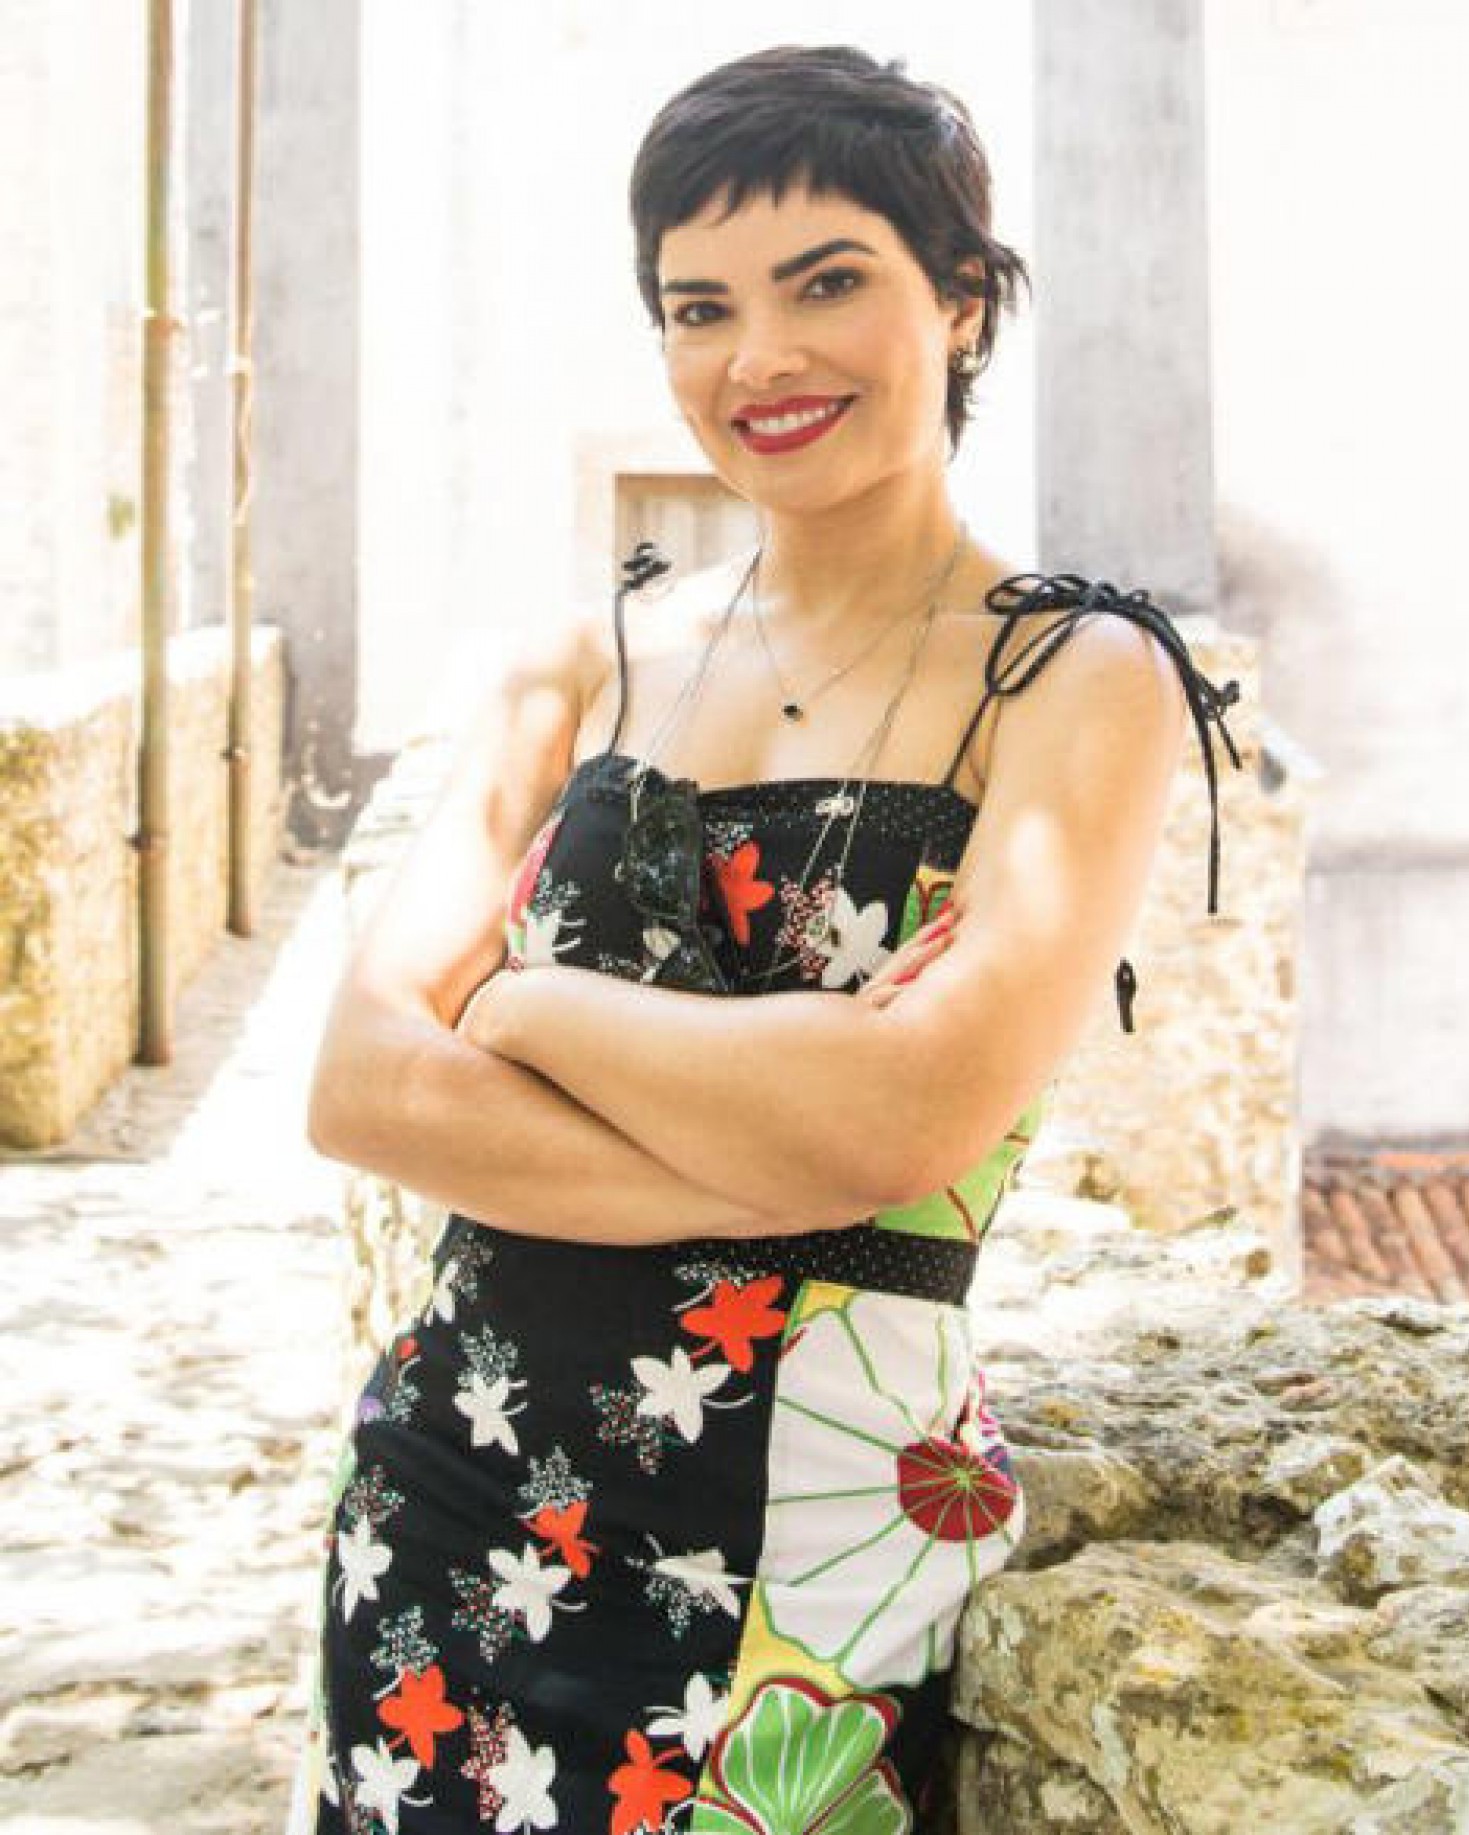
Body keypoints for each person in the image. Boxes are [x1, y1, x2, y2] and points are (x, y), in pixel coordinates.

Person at [293, 43, 1241, 1834]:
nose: (761, 359)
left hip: (815, 1540)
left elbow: (906, 1121)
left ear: (962, 302)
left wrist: (521, 1005)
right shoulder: (577, 663)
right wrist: (793, 1153)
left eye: (827, 284)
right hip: (450, 1514)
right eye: (700, 307)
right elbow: (359, 1085)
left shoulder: (1072, 677)